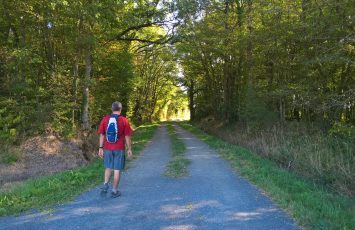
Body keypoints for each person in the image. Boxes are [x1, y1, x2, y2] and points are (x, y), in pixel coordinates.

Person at [97, 101, 133, 198]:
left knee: (108, 167)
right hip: (119, 149)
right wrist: (129, 148)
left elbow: (102, 134)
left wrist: (100, 148)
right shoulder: (124, 120)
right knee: (117, 169)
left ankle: (105, 185)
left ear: (112, 109)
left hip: (107, 148)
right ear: (120, 109)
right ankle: (114, 191)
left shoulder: (105, 119)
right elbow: (127, 136)